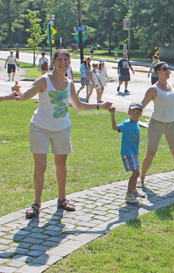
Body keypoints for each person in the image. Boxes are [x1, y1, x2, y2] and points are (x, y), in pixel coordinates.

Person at [9, 49, 112, 218]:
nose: (63, 62)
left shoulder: (70, 83)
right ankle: (36, 204)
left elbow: (78, 105)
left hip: (62, 128)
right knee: (40, 166)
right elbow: (25, 96)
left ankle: (62, 200)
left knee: (61, 165)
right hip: (39, 127)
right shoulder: (44, 80)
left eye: (66, 59)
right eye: (60, 59)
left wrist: (100, 106)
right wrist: (17, 90)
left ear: (69, 62)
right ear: (54, 62)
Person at [109, 103, 146, 204]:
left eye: (137, 113)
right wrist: (112, 115)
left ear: (141, 114)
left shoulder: (136, 123)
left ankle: (133, 191)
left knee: (136, 173)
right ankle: (129, 194)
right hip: (127, 152)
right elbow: (115, 127)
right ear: (129, 112)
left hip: (133, 152)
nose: (135, 114)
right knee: (136, 173)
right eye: (133, 112)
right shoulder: (126, 124)